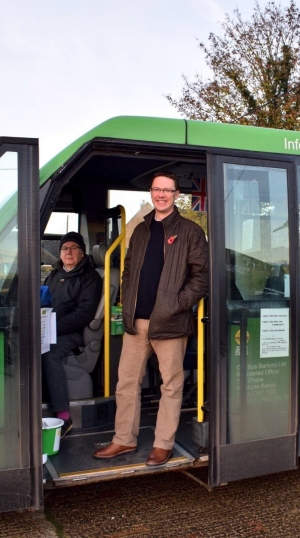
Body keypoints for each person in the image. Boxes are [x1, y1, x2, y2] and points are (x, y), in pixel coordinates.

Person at [93, 171, 208, 466]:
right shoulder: (141, 230)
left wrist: (176, 304)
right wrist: (127, 302)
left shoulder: (190, 232)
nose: (161, 195)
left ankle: (163, 443)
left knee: (170, 384)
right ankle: (123, 440)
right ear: (151, 193)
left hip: (169, 322)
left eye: (167, 190)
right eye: (157, 189)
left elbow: (202, 278)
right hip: (137, 322)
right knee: (126, 383)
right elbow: (129, 269)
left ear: (176, 195)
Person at [42, 231, 103, 436]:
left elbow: (84, 314)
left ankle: (63, 416)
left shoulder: (90, 278)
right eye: (64, 248)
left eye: (73, 248)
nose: (68, 252)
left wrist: (52, 328)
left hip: (73, 333)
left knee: (50, 354)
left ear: (82, 252)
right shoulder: (54, 274)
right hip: (49, 328)